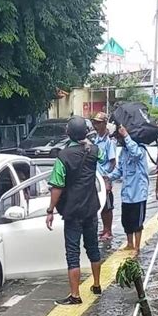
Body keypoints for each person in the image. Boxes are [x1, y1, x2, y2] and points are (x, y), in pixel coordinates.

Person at [46, 116, 103, 305]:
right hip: (91, 209)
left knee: (73, 253)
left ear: (67, 133)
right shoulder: (94, 150)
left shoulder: (63, 156)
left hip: (72, 211)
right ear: (86, 133)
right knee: (93, 248)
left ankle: (75, 295)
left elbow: (57, 186)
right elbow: (104, 158)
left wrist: (50, 210)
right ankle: (96, 285)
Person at [105, 125, 149, 254]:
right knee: (127, 221)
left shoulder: (139, 149)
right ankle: (129, 244)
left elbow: (135, 154)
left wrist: (126, 135)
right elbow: (119, 170)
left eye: (119, 137)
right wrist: (108, 178)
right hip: (127, 195)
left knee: (137, 223)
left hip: (138, 194)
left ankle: (137, 247)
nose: (118, 140)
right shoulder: (123, 152)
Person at [92, 112, 116, 240]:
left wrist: (107, 177)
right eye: (95, 122)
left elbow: (112, 162)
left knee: (107, 205)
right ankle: (105, 229)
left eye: (98, 123)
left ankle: (108, 230)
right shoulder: (96, 138)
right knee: (100, 203)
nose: (96, 125)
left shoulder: (109, 141)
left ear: (104, 123)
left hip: (104, 176)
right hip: (96, 176)